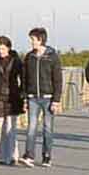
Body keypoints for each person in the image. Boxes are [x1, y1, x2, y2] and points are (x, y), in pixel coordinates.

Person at [20, 27, 62, 167]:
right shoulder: (29, 57)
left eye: (33, 40)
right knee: (31, 127)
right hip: (32, 97)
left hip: (48, 97)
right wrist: (25, 97)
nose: (31, 43)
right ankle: (29, 155)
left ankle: (47, 156)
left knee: (47, 128)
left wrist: (56, 100)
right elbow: (25, 78)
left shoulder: (52, 56)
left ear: (40, 40)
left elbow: (57, 79)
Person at [0, 36, 24, 165]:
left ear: (8, 48)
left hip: (12, 96)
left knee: (11, 127)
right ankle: (2, 156)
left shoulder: (16, 60)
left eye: (3, 48)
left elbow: (23, 77)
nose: (1, 51)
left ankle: (13, 155)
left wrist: (22, 92)